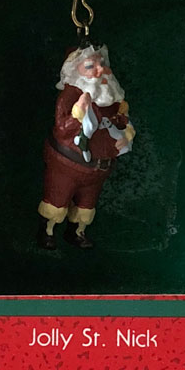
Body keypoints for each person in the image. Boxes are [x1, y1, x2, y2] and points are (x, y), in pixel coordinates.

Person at [37, 41, 135, 250]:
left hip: (99, 168)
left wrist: (126, 135)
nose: (100, 70)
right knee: (58, 198)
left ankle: (77, 232)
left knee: (87, 203)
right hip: (68, 166)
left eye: (102, 64)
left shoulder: (112, 98)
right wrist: (78, 114)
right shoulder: (70, 96)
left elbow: (123, 121)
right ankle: (48, 229)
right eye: (90, 66)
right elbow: (62, 129)